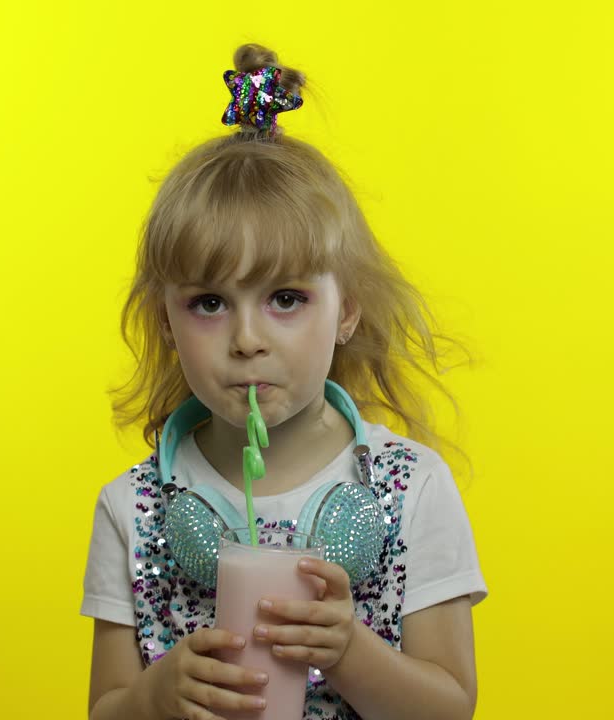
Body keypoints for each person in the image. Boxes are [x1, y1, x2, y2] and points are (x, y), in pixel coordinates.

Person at [82, 43, 488, 720]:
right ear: (167, 322)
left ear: (347, 311)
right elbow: (106, 710)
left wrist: (348, 652)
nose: (247, 339)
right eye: (209, 303)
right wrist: (155, 697)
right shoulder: (132, 509)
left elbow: (450, 709)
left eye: (287, 298)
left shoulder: (411, 488)